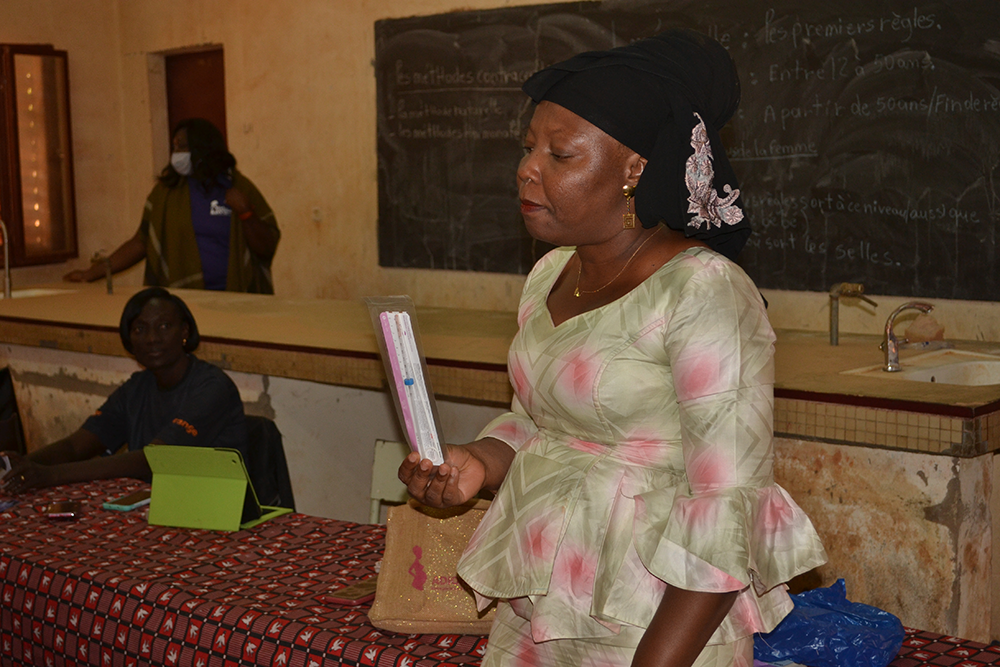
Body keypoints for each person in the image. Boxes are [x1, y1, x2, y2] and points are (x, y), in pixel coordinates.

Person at [399, 29, 827, 667]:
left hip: (653, 624)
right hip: (544, 603)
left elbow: (727, 505)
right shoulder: (550, 274)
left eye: (561, 155)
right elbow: (538, 425)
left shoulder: (702, 291)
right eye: (527, 148)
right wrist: (480, 464)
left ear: (635, 169)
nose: (527, 168)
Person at [1, 287, 247, 494]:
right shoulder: (137, 387)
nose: (152, 339)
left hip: (213, 511)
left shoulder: (212, 387)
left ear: (185, 331)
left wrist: (50, 475)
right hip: (152, 507)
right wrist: (20, 465)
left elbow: (154, 460)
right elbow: (77, 446)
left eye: (164, 326)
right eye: (140, 330)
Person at [64, 118, 279, 293]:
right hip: (184, 301)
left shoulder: (239, 187)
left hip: (238, 301)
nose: (177, 154)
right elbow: (142, 242)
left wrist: (246, 212)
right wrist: (91, 274)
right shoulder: (165, 193)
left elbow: (267, 247)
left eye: (183, 146)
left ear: (203, 148)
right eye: (174, 147)